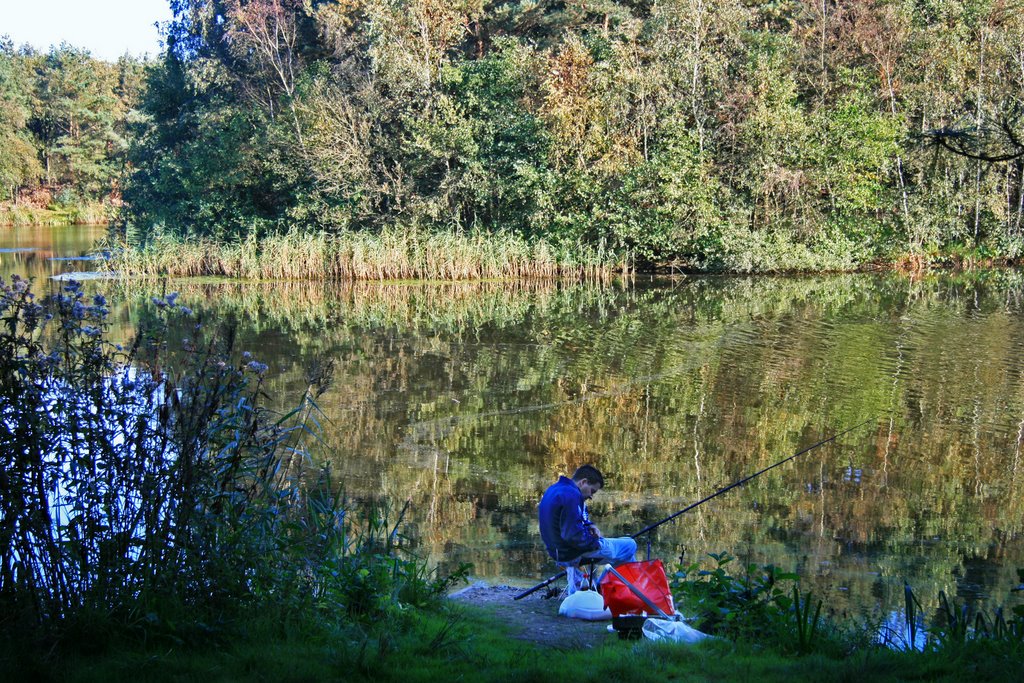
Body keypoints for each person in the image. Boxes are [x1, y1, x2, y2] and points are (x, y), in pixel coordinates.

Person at [538, 464, 637, 594]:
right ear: (583, 482)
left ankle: (591, 590)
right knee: (629, 545)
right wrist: (594, 543)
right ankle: (612, 591)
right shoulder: (572, 495)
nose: (591, 496)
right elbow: (572, 536)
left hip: (556, 551)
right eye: (592, 491)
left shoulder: (555, 489)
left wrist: (590, 525)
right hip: (570, 553)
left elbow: (566, 522)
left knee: (621, 543)